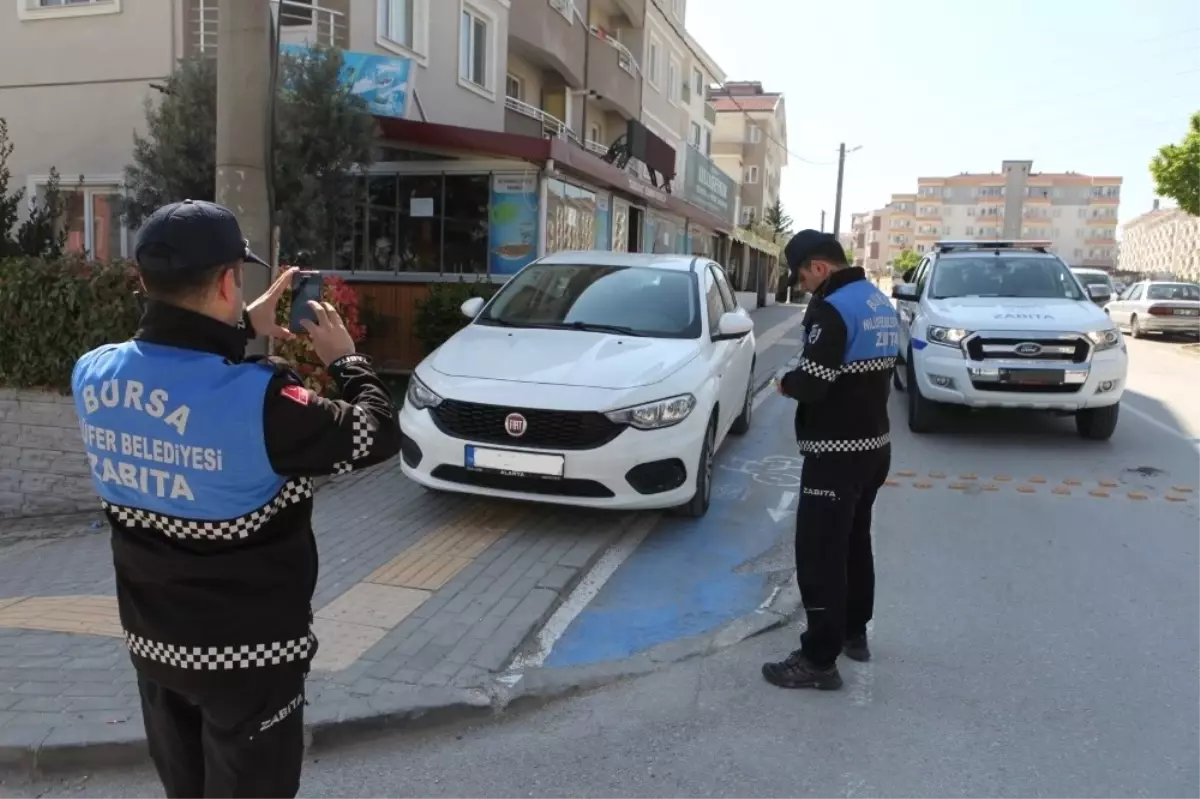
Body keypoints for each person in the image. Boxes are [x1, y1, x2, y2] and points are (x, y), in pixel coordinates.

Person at [70, 199, 401, 798]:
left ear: (143, 280)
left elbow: (178, 378)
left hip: (154, 648)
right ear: (229, 280)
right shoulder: (265, 403)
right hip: (250, 663)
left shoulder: (93, 375)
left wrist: (240, 328)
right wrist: (344, 358)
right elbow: (375, 434)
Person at [763, 230, 899, 691]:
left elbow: (815, 382)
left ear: (820, 268)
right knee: (855, 542)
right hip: (874, 449)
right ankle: (853, 633)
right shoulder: (878, 302)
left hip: (835, 454)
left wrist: (786, 382)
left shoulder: (832, 309)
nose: (801, 285)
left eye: (802, 275)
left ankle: (818, 660)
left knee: (821, 553)